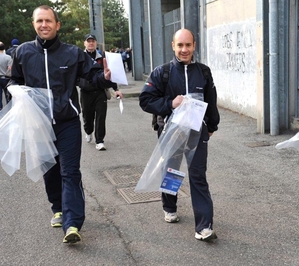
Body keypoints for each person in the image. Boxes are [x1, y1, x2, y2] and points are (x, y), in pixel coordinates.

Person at [7, 5, 116, 243]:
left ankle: (72, 223)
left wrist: (106, 78)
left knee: (70, 171)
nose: (44, 25)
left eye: (48, 21)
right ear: (34, 25)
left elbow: (93, 76)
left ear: (57, 25)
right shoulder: (23, 53)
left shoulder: (73, 53)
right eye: (39, 21)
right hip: (39, 124)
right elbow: (14, 80)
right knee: (50, 169)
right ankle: (57, 207)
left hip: (67, 123)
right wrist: (13, 89)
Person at [139, 28, 220, 241]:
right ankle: (170, 206)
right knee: (172, 171)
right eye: (180, 45)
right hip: (170, 131)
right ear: (173, 46)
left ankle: (204, 226)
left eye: (188, 45)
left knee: (197, 176)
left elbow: (211, 99)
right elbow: (145, 100)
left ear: (194, 46)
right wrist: (169, 103)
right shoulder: (161, 72)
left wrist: (212, 125)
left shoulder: (203, 71)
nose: (184, 50)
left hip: (197, 131)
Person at [79, 34, 122, 151]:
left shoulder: (102, 57)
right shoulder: (81, 57)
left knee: (101, 116)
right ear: (85, 43)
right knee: (87, 116)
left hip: (100, 91)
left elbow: (110, 74)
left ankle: (100, 141)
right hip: (86, 91)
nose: (91, 43)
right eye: (88, 41)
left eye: (93, 41)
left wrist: (116, 89)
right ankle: (88, 131)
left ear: (96, 43)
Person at [0, 42, 12, 110]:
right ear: (4, 48)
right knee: (7, 94)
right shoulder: (8, 57)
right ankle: (8, 109)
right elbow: (10, 68)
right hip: (6, 78)